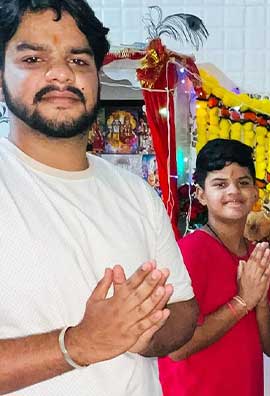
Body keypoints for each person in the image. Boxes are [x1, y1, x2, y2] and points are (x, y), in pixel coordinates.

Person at [0, 1, 198, 395]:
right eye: (34, 58)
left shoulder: (136, 194)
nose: (61, 74)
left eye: (78, 60)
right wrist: (78, 344)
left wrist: (143, 330)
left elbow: (184, 311)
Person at [158, 138, 270, 396]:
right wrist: (242, 301)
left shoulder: (261, 259)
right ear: (201, 195)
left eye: (243, 182)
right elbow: (175, 349)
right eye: (220, 184)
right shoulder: (188, 253)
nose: (233, 191)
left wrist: (260, 303)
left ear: (255, 193)